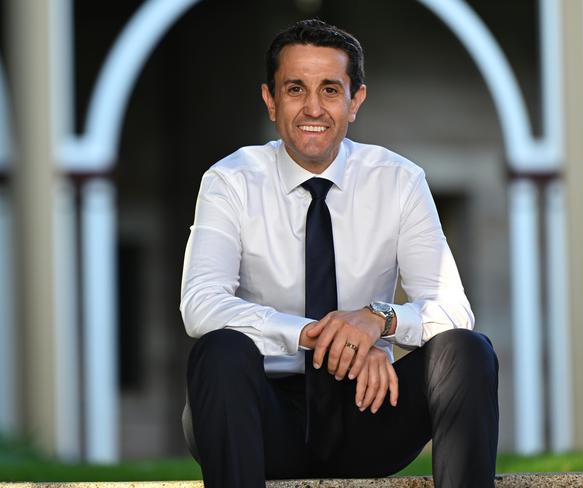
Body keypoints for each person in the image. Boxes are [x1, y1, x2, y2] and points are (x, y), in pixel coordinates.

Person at [180, 19, 498, 488]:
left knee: (468, 351)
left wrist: (378, 320)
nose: (313, 107)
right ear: (270, 100)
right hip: (258, 418)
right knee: (220, 350)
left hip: (369, 408)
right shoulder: (230, 181)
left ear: (356, 102)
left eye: (330, 90)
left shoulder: (399, 181)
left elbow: (453, 310)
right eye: (295, 89)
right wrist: (318, 336)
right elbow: (201, 306)